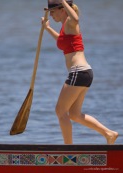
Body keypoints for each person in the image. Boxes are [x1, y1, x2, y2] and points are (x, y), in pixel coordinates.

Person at [41, 0, 118, 144]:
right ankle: (109, 133)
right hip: (84, 73)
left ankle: (68, 149)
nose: (51, 15)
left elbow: (76, 18)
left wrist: (63, 2)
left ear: (63, 9)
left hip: (78, 72)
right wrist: (47, 28)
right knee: (74, 115)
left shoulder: (71, 21)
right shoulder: (66, 27)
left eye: (52, 11)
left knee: (60, 111)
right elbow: (61, 41)